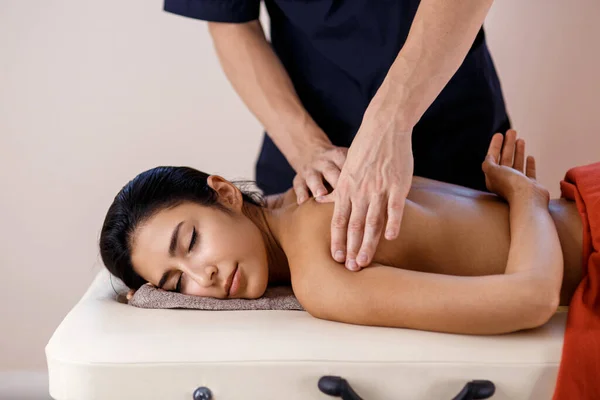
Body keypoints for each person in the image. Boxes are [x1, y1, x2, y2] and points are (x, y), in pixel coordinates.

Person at [100, 130, 585, 335]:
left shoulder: (321, 274)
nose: (200, 277)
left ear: (225, 194)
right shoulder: (326, 179)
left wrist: (526, 199)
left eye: (190, 242)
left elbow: (533, 300)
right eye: (175, 283)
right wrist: (522, 200)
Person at [163, 0, 510, 271]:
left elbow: (528, 296)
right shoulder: (313, 258)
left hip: (453, 131)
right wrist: (307, 150)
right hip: (310, 166)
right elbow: (229, 22)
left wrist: (390, 125)